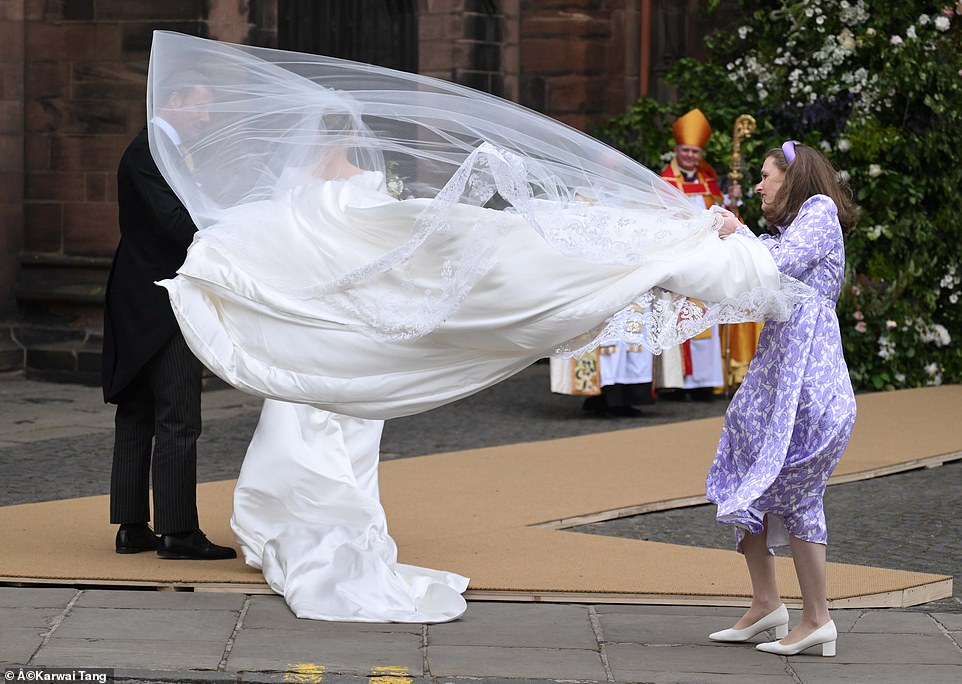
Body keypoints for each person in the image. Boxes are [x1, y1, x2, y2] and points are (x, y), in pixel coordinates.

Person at [145, 31, 812, 621]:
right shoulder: (353, 196)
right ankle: (294, 523)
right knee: (336, 419)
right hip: (358, 340)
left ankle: (280, 522)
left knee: (318, 422)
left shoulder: (303, 203)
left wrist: (221, 271)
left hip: (335, 339)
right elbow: (397, 245)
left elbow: (282, 249)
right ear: (347, 141)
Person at [706, 141, 858, 656]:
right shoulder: (789, 229)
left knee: (796, 490)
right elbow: (754, 278)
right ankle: (767, 603)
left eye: (767, 177)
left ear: (792, 178)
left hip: (809, 385)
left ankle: (817, 618)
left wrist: (740, 234)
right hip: (776, 379)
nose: (759, 185)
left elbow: (780, 264)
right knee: (740, 466)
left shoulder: (819, 212)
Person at [102, 70, 236, 561]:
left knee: (137, 412)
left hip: (140, 292)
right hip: (160, 298)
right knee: (176, 415)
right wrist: (231, 228)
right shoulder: (153, 151)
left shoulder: (162, 148)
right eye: (200, 105)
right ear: (174, 98)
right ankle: (178, 532)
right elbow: (177, 224)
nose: (206, 117)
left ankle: (132, 527)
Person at [657, 109, 745, 400]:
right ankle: (678, 382)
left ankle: (706, 381)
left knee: (709, 316)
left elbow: (722, 211)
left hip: (708, 258)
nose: (691, 156)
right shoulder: (665, 181)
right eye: (686, 150)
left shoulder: (709, 178)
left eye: (695, 151)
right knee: (682, 316)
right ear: (676, 150)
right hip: (681, 258)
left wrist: (732, 198)